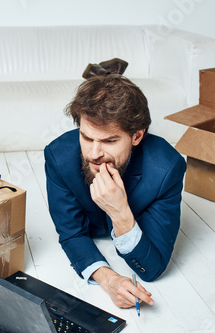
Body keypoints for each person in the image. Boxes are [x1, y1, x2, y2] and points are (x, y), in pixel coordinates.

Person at [44, 74, 186, 309]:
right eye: (87, 137)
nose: (93, 153)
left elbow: (152, 268)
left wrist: (120, 213)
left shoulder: (166, 169)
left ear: (137, 136)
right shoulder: (58, 157)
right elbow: (72, 234)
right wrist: (108, 279)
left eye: (109, 141)